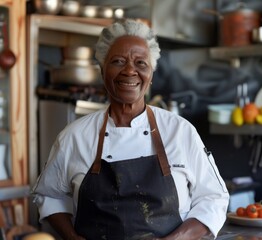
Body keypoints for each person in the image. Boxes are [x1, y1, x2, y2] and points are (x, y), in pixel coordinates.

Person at [31, 18, 229, 240]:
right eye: (117, 61)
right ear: (102, 70)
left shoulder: (180, 132)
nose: (129, 71)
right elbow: (49, 196)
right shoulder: (74, 137)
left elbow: (214, 197)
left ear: (151, 74)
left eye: (141, 63)